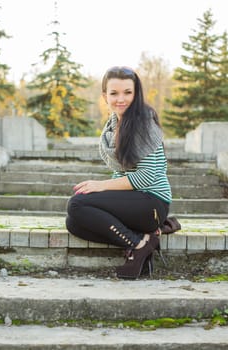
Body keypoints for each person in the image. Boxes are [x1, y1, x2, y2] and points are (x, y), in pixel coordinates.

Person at [66, 66, 172, 279]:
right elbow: (122, 173)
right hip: (134, 201)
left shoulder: (144, 123)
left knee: (77, 204)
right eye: (114, 93)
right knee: (74, 222)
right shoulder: (114, 126)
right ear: (105, 96)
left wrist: (101, 186)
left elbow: (146, 177)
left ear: (136, 93)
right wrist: (103, 190)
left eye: (127, 92)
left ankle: (139, 244)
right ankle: (142, 241)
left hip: (152, 202)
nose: (121, 99)